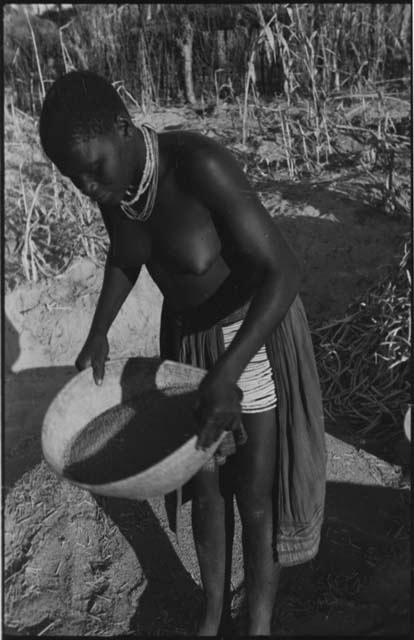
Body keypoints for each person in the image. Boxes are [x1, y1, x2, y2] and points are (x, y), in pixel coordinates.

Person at [39, 70, 326, 636]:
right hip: (189, 345)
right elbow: (126, 253)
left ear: (122, 129)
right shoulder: (119, 189)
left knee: (254, 492)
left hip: (252, 337)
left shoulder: (201, 166)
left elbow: (284, 270)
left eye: (93, 171)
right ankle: (212, 616)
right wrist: (98, 331)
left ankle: (260, 625)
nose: (90, 189)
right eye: (76, 182)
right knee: (207, 490)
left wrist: (229, 370)